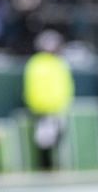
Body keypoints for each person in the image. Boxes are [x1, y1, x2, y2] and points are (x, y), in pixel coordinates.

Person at [23, 31, 75, 171]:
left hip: (58, 109)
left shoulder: (60, 62)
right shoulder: (36, 63)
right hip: (43, 111)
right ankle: (45, 168)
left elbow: (65, 85)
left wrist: (64, 104)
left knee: (58, 141)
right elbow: (33, 88)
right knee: (44, 143)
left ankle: (56, 167)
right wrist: (39, 106)